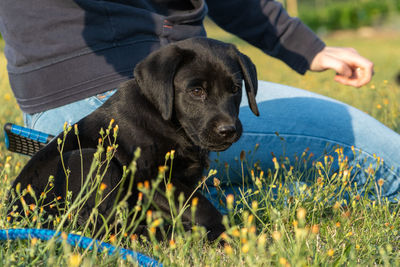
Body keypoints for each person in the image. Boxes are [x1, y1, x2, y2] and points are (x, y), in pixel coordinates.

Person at [1, 0, 398, 212]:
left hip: (53, 115)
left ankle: (156, 203)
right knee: (389, 166)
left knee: (302, 187)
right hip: (133, 95)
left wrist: (305, 46)